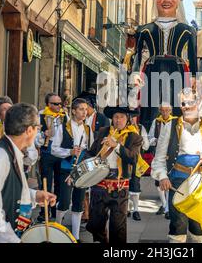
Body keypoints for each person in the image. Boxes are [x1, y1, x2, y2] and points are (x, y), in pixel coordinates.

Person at [0, 103, 57, 243]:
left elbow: (7, 190)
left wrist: (34, 195)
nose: (37, 132)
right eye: (37, 128)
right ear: (29, 130)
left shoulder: (12, 151)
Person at [152, 88, 202, 243]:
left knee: (198, 227)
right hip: (177, 183)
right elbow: (159, 157)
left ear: (198, 103)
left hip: (201, 183)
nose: (186, 106)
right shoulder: (171, 125)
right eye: (183, 103)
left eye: (190, 102)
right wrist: (163, 176)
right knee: (178, 226)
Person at [130, 0, 197, 130]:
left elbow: (193, 58)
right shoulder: (143, 30)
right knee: (150, 112)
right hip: (152, 72)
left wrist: (196, 78)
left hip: (178, 73)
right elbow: (137, 55)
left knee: (177, 112)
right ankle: (148, 150)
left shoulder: (188, 30)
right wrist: (136, 72)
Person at [85, 105, 143, 244]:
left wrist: (116, 145)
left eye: (122, 117)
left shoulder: (134, 137)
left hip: (120, 185)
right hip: (99, 182)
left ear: (127, 119)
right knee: (95, 223)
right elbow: (91, 152)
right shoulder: (103, 131)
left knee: (118, 226)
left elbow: (133, 158)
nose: (118, 120)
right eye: (116, 117)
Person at [51, 98, 94, 241]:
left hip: (82, 169)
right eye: (81, 109)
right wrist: (69, 152)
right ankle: (57, 230)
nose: (84, 112)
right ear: (74, 111)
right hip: (67, 168)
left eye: (86, 109)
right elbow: (54, 149)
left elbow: (90, 149)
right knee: (63, 202)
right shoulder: (63, 127)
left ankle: (75, 237)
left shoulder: (88, 128)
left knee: (78, 201)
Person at [35, 93, 66, 220]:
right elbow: (35, 137)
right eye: (55, 103)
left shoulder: (65, 116)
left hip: (61, 153)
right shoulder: (40, 115)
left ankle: (56, 210)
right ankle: (44, 211)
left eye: (60, 103)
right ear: (48, 104)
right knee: (45, 182)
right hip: (47, 152)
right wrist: (43, 134)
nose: (59, 106)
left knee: (59, 183)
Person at [0, 96, 38, 174]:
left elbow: (32, 157)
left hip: (19, 172)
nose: (8, 111)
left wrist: (25, 153)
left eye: (10, 108)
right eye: (4, 109)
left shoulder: (23, 129)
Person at [148, 102, 178, 218]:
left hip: (170, 154)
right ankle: (164, 204)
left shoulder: (175, 121)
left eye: (167, 110)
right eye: (163, 110)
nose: (165, 112)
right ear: (160, 111)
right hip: (159, 153)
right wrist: (154, 141)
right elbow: (150, 137)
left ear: (170, 111)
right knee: (158, 180)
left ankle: (168, 206)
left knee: (170, 178)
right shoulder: (156, 122)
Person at [128, 114, 150, 221]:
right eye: (130, 116)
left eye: (134, 116)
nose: (132, 119)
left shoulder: (141, 128)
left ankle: (136, 210)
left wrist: (140, 142)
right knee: (124, 183)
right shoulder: (124, 128)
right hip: (125, 160)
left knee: (135, 185)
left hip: (137, 161)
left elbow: (146, 145)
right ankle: (127, 207)